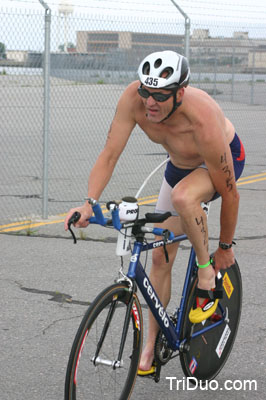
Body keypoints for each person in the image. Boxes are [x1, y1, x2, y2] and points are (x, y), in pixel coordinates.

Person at [64, 50, 245, 375]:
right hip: (179, 165)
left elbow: (231, 195)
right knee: (160, 257)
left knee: (184, 198)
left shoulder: (201, 119)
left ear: (180, 93)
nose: (150, 102)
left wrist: (225, 248)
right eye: (146, 92)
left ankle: (205, 275)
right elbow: (109, 154)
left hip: (220, 158)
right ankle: (150, 347)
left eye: (160, 96)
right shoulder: (134, 100)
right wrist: (88, 203)